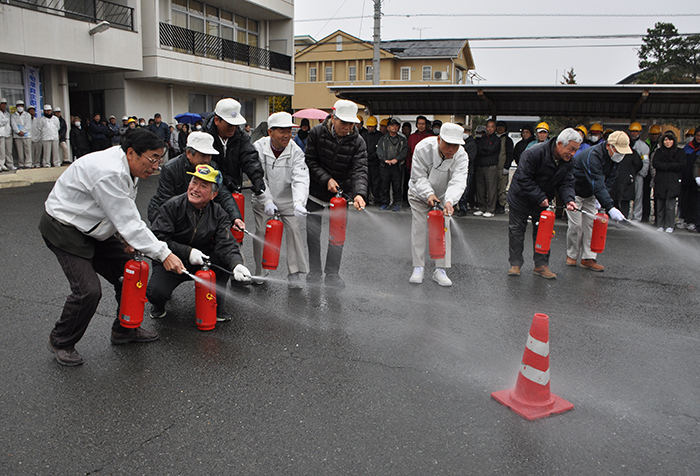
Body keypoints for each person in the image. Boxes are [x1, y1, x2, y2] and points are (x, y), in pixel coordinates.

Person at [39, 129, 185, 366]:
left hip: (95, 226)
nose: (157, 165)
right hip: (65, 227)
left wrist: (125, 236)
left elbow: (118, 210)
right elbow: (128, 220)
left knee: (130, 270)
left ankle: (125, 328)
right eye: (153, 158)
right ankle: (61, 341)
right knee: (88, 290)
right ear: (131, 153)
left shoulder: (127, 167)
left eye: (160, 159)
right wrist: (164, 253)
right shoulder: (109, 172)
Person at [147, 164, 251, 322]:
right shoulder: (172, 206)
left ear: (213, 194)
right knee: (156, 292)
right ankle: (158, 306)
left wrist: (236, 264)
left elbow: (226, 243)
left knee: (225, 262)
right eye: (194, 182)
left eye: (203, 186)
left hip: (202, 259)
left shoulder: (218, 213)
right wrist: (187, 252)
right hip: (172, 258)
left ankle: (216, 305)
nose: (195, 189)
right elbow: (158, 238)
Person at [304, 99, 368, 287]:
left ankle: (332, 273)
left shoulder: (358, 141)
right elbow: (310, 161)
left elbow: (360, 169)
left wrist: (359, 194)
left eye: (351, 124)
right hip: (315, 193)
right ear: (333, 117)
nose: (347, 127)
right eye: (343, 123)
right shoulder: (316, 133)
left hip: (339, 197)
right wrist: (326, 179)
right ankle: (314, 271)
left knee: (337, 235)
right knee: (313, 235)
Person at [507, 129, 581, 279]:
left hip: (542, 201)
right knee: (516, 231)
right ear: (560, 144)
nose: (573, 153)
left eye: (576, 150)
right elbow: (523, 178)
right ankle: (515, 264)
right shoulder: (534, 153)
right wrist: (539, 196)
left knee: (544, 233)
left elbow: (567, 182)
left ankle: (541, 265)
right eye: (571, 149)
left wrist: (569, 199)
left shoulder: (568, 161)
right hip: (520, 197)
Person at [251, 112, 310, 288]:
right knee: (260, 232)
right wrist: (266, 200)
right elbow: (257, 176)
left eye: (289, 130)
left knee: (293, 230)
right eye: (282, 131)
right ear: (270, 132)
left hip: (288, 199)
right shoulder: (258, 147)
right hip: (262, 197)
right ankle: (261, 271)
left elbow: (300, 177)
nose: (287, 135)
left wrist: (299, 202)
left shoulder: (296, 151)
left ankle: (294, 273)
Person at [408, 123, 469, 287]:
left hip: (443, 196)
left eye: (455, 145)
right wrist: (428, 193)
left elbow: (459, 181)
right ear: (439, 139)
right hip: (418, 193)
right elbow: (418, 177)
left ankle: (440, 270)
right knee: (419, 228)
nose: (451, 149)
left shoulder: (461, 155)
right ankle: (418, 267)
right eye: (447, 144)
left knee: (443, 229)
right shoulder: (423, 148)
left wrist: (450, 200)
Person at [147, 131, 244, 233]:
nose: (207, 160)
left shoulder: (211, 167)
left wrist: (235, 217)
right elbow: (166, 201)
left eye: (209, 155)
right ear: (189, 153)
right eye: (203, 155)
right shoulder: (171, 168)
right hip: (171, 217)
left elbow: (222, 193)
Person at [565, 131, 631, 272]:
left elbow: (610, 179)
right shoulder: (593, 156)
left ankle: (588, 258)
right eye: (619, 151)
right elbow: (597, 182)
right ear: (609, 146)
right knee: (576, 225)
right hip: (575, 190)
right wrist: (610, 207)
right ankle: (572, 255)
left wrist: (601, 200)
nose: (621, 154)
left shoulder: (615, 159)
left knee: (590, 225)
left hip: (592, 193)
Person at [204, 99, 265, 201]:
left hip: (234, 189)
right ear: (216, 120)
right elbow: (205, 164)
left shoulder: (241, 137)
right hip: (209, 191)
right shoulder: (204, 138)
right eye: (229, 124)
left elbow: (249, 158)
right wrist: (224, 179)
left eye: (236, 124)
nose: (233, 128)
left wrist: (257, 178)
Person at [653, 131, 685, 233]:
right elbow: (656, 164)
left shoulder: (679, 152)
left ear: (674, 141)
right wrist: (671, 166)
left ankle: (670, 225)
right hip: (660, 182)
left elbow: (681, 165)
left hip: (673, 182)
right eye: (666, 140)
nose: (668, 142)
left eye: (670, 140)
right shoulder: (659, 152)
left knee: (670, 206)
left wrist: (666, 166)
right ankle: (660, 224)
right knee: (660, 205)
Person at [377, 118, 408, 212]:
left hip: (397, 166)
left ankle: (397, 203)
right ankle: (385, 203)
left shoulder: (402, 140)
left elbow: (404, 152)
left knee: (397, 186)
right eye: (392, 125)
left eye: (396, 126)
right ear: (388, 127)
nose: (394, 127)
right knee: (384, 185)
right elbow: (379, 151)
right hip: (385, 166)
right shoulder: (382, 139)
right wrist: (385, 159)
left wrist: (396, 159)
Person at [473, 119, 500, 217]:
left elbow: (492, 150)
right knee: (480, 188)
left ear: (495, 128)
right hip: (481, 166)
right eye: (488, 126)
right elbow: (479, 150)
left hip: (491, 166)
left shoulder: (497, 139)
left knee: (491, 189)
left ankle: (491, 209)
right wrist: (486, 150)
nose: (490, 128)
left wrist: (485, 149)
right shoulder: (483, 139)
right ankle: (482, 207)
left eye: (492, 126)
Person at [406, 115, 433, 206]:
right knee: (414, 185)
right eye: (419, 124)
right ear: (416, 125)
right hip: (414, 166)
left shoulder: (430, 137)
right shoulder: (412, 137)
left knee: (425, 184)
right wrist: (408, 166)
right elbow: (409, 152)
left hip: (427, 166)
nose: (421, 126)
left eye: (423, 124)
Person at [627, 122, 650, 222]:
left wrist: (641, 174)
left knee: (638, 197)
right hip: (627, 174)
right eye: (632, 131)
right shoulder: (626, 144)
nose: (634, 133)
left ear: (639, 132)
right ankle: (626, 216)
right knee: (626, 195)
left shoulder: (643, 146)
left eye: (636, 131)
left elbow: (646, 161)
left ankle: (637, 217)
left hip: (638, 175)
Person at [359, 115, 382, 205]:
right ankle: (365, 200)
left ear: (376, 126)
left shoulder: (379, 136)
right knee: (365, 182)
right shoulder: (363, 135)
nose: (370, 128)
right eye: (369, 126)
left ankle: (377, 199)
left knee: (376, 183)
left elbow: (379, 150)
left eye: (372, 126)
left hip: (375, 163)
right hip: (365, 163)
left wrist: (372, 156)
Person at [457, 124, 478, 215]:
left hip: (467, 170)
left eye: (465, 131)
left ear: (469, 133)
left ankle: (463, 208)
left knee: (465, 190)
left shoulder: (472, 144)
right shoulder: (458, 142)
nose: (464, 133)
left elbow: (471, 158)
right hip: (456, 169)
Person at [681, 128, 700, 231]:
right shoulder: (688, 147)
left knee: (695, 202)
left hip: (696, 180)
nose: (699, 138)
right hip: (686, 178)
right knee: (685, 200)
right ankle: (686, 219)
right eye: (697, 135)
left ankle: (694, 221)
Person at [495, 120, 514, 214]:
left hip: (502, 167)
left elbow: (510, 154)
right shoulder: (494, 138)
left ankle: (501, 205)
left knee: (502, 188)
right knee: (493, 188)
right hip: (493, 167)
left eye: (501, 127)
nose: (499, 129)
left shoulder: (508, 140)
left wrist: (507, 167)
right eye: (498, 127)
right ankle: (493, 204)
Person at [0, 98, 13, 171]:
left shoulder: (7, 113)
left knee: (8, 151)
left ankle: (8, 164)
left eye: (4, 104)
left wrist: (3, 122)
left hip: (7, 134)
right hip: (1, 133)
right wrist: (4, 122)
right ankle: (1, 164)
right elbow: (1, 122)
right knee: (1, 150)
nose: (3, 105)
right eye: (2, 103)